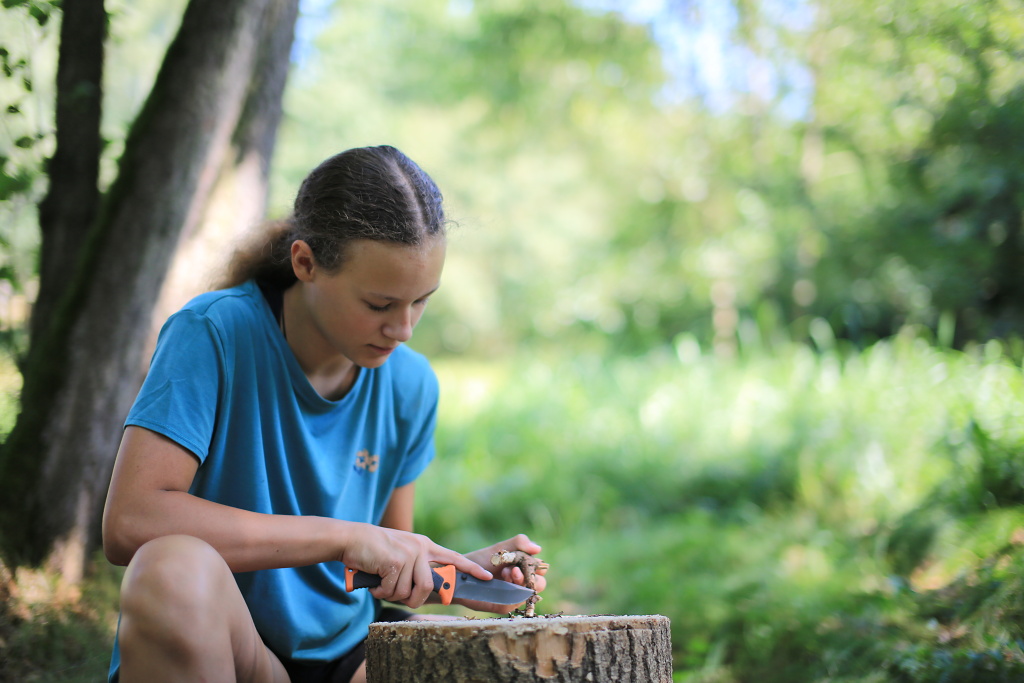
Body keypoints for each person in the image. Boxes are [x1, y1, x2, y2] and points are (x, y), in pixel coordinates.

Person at [101, 145, 547, 683]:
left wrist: (464, 573)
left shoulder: (410, 384)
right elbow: (131, 522)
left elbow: (382, 567)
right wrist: (340, 536)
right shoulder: (213, 334)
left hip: (349, 660)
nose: (403, 329)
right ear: (305, 263)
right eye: (379, 305)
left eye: (421, 301)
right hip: (231, 651)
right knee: (169, 569)